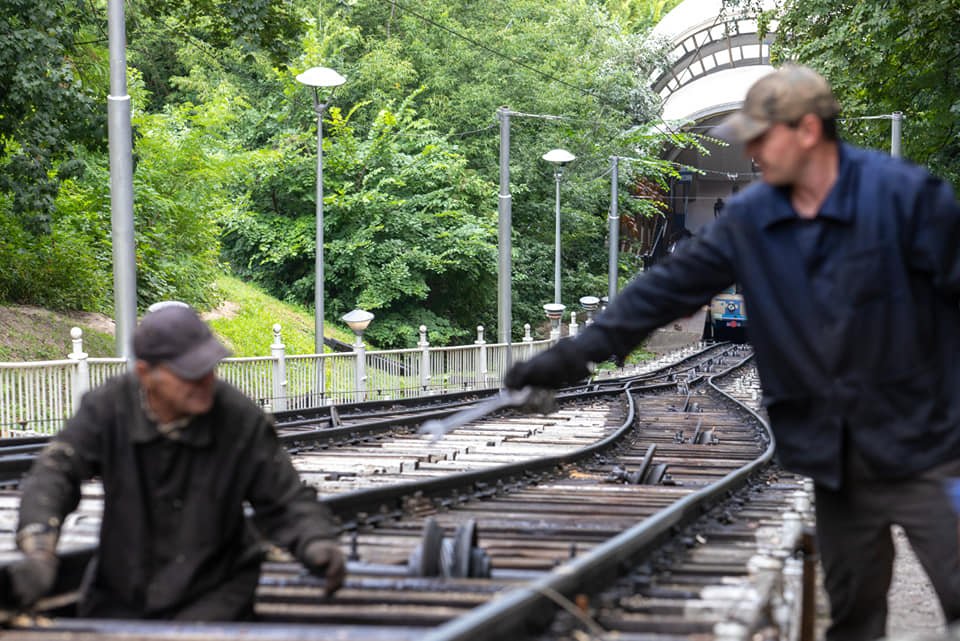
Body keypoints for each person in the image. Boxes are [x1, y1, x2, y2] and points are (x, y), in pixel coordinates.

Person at [504, 63, 960, 641]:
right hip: (837, 458)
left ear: (809, 131)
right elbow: (666, 288)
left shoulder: (906, 199)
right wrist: (578, 352)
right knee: (854, 615)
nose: (750, 149)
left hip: (931, 446)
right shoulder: (753, 218)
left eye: (762, 136)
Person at [5, 303, 345, 620]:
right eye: (189, 374)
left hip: (215, 593)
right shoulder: (108, 408)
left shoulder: (239, 419)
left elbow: (284, 498)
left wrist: (316, 540)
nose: (205, 382)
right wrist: (40, 550)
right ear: (145, 373)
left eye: (208, 369)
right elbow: (56, 471)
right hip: (122, 589)